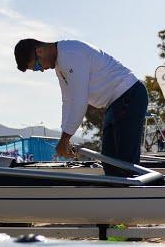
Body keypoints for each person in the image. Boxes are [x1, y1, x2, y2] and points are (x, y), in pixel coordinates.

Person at [14, 38, 147, 177]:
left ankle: (133, 194)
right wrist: (64, 136)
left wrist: (64, 140)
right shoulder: (60, 65)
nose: (41, 70)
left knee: (125, 163)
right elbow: (68, 101)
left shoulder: (70, 54)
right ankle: (118, 195)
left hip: (130, 95)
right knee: (110, 163)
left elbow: (79, 102)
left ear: (39, 51)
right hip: (116, 103)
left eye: (36, 66)